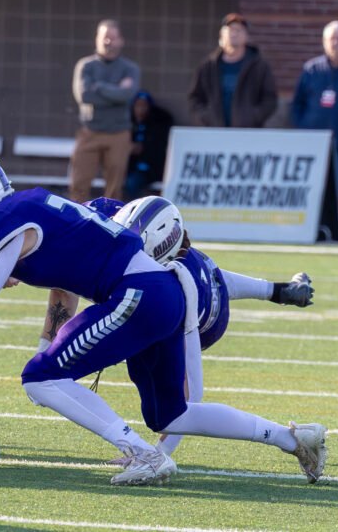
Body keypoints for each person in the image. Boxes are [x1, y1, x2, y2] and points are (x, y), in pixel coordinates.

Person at [0, 152, 327, 485]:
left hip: (137, 293)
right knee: (172, 414)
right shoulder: (30, 205)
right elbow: (65, 282)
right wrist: (48, 339)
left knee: (38, 380)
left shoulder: (1, 221)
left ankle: (143, 454)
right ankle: (291, 438)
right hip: (156, 292)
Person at [109, 196, 314, 458]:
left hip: (201, 320)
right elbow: (217, 276)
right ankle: (278, 290)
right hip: (202, 279)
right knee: (206, 273)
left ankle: (286, 438)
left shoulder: (176, 290)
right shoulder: (118, 220)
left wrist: (159, 454)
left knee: (165, 411)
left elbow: (192, 396)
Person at [291, 21, 338, 241]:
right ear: (323, 42)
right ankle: (306, 236)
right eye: (330, 38)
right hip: (313, 149)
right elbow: (297, 105)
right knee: (310, 195)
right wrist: (303, 129)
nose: (335, 43)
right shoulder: (312, 69)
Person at [70, 19, 140, 202]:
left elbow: (127, 95)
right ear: (97, 39)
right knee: (78, 184)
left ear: (121, 41)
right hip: (90, 132)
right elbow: (84, 96)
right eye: (104, 37)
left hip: (119, 134)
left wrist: (98, 87)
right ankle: (77, 224)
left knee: (114, 189)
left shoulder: (130, 68)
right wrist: (115, 90)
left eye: (112, 38)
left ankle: (110, 226)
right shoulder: (86, 66)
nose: (108, 42)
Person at [189, 13, 277, 128]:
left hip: (247, 133)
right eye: (230, 29)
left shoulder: (259, 66)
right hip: (215, 132)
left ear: (246, 36)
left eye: (239, 30)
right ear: (221, 35)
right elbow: (195, 98)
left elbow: (269, 99)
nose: (234, 33)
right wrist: (207, 117)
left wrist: (254, 117)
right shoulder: (208, 66)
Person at [124, 91, 173, 200]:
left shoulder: (157, 125)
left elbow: (158, 149)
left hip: (150, 170)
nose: (141, 109)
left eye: (144, 105)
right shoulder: (128, 124)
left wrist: (143, 148)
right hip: (129, 168)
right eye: (138, 105)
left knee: (133, 182)